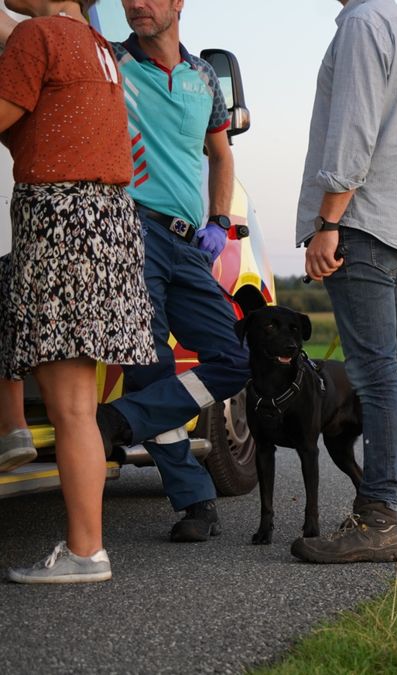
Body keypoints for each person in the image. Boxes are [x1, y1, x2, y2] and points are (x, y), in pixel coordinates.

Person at [0, 0, 156, 583]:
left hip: (59, 220)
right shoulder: (93, 43)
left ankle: (86, 553)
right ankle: (85, 549)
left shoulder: (38, 37)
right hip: (106, 221)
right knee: (79, 409)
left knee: (68, 408)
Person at [83, 0, 249, 543]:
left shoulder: (204, 76)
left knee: (234, 360)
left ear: (179, 2)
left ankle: (122, 420)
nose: (136, 4)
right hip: (131, 228)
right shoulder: (111, 62)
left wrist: (220, 221)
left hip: (189, 242)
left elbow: (220, 155)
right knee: (151, 366)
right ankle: (194, 500)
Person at [290, 0, 397, 564]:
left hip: (363, 223)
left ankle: (376, 519)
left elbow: (354, 134)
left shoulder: (361, 23)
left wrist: (329, 222)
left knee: (376, 377)